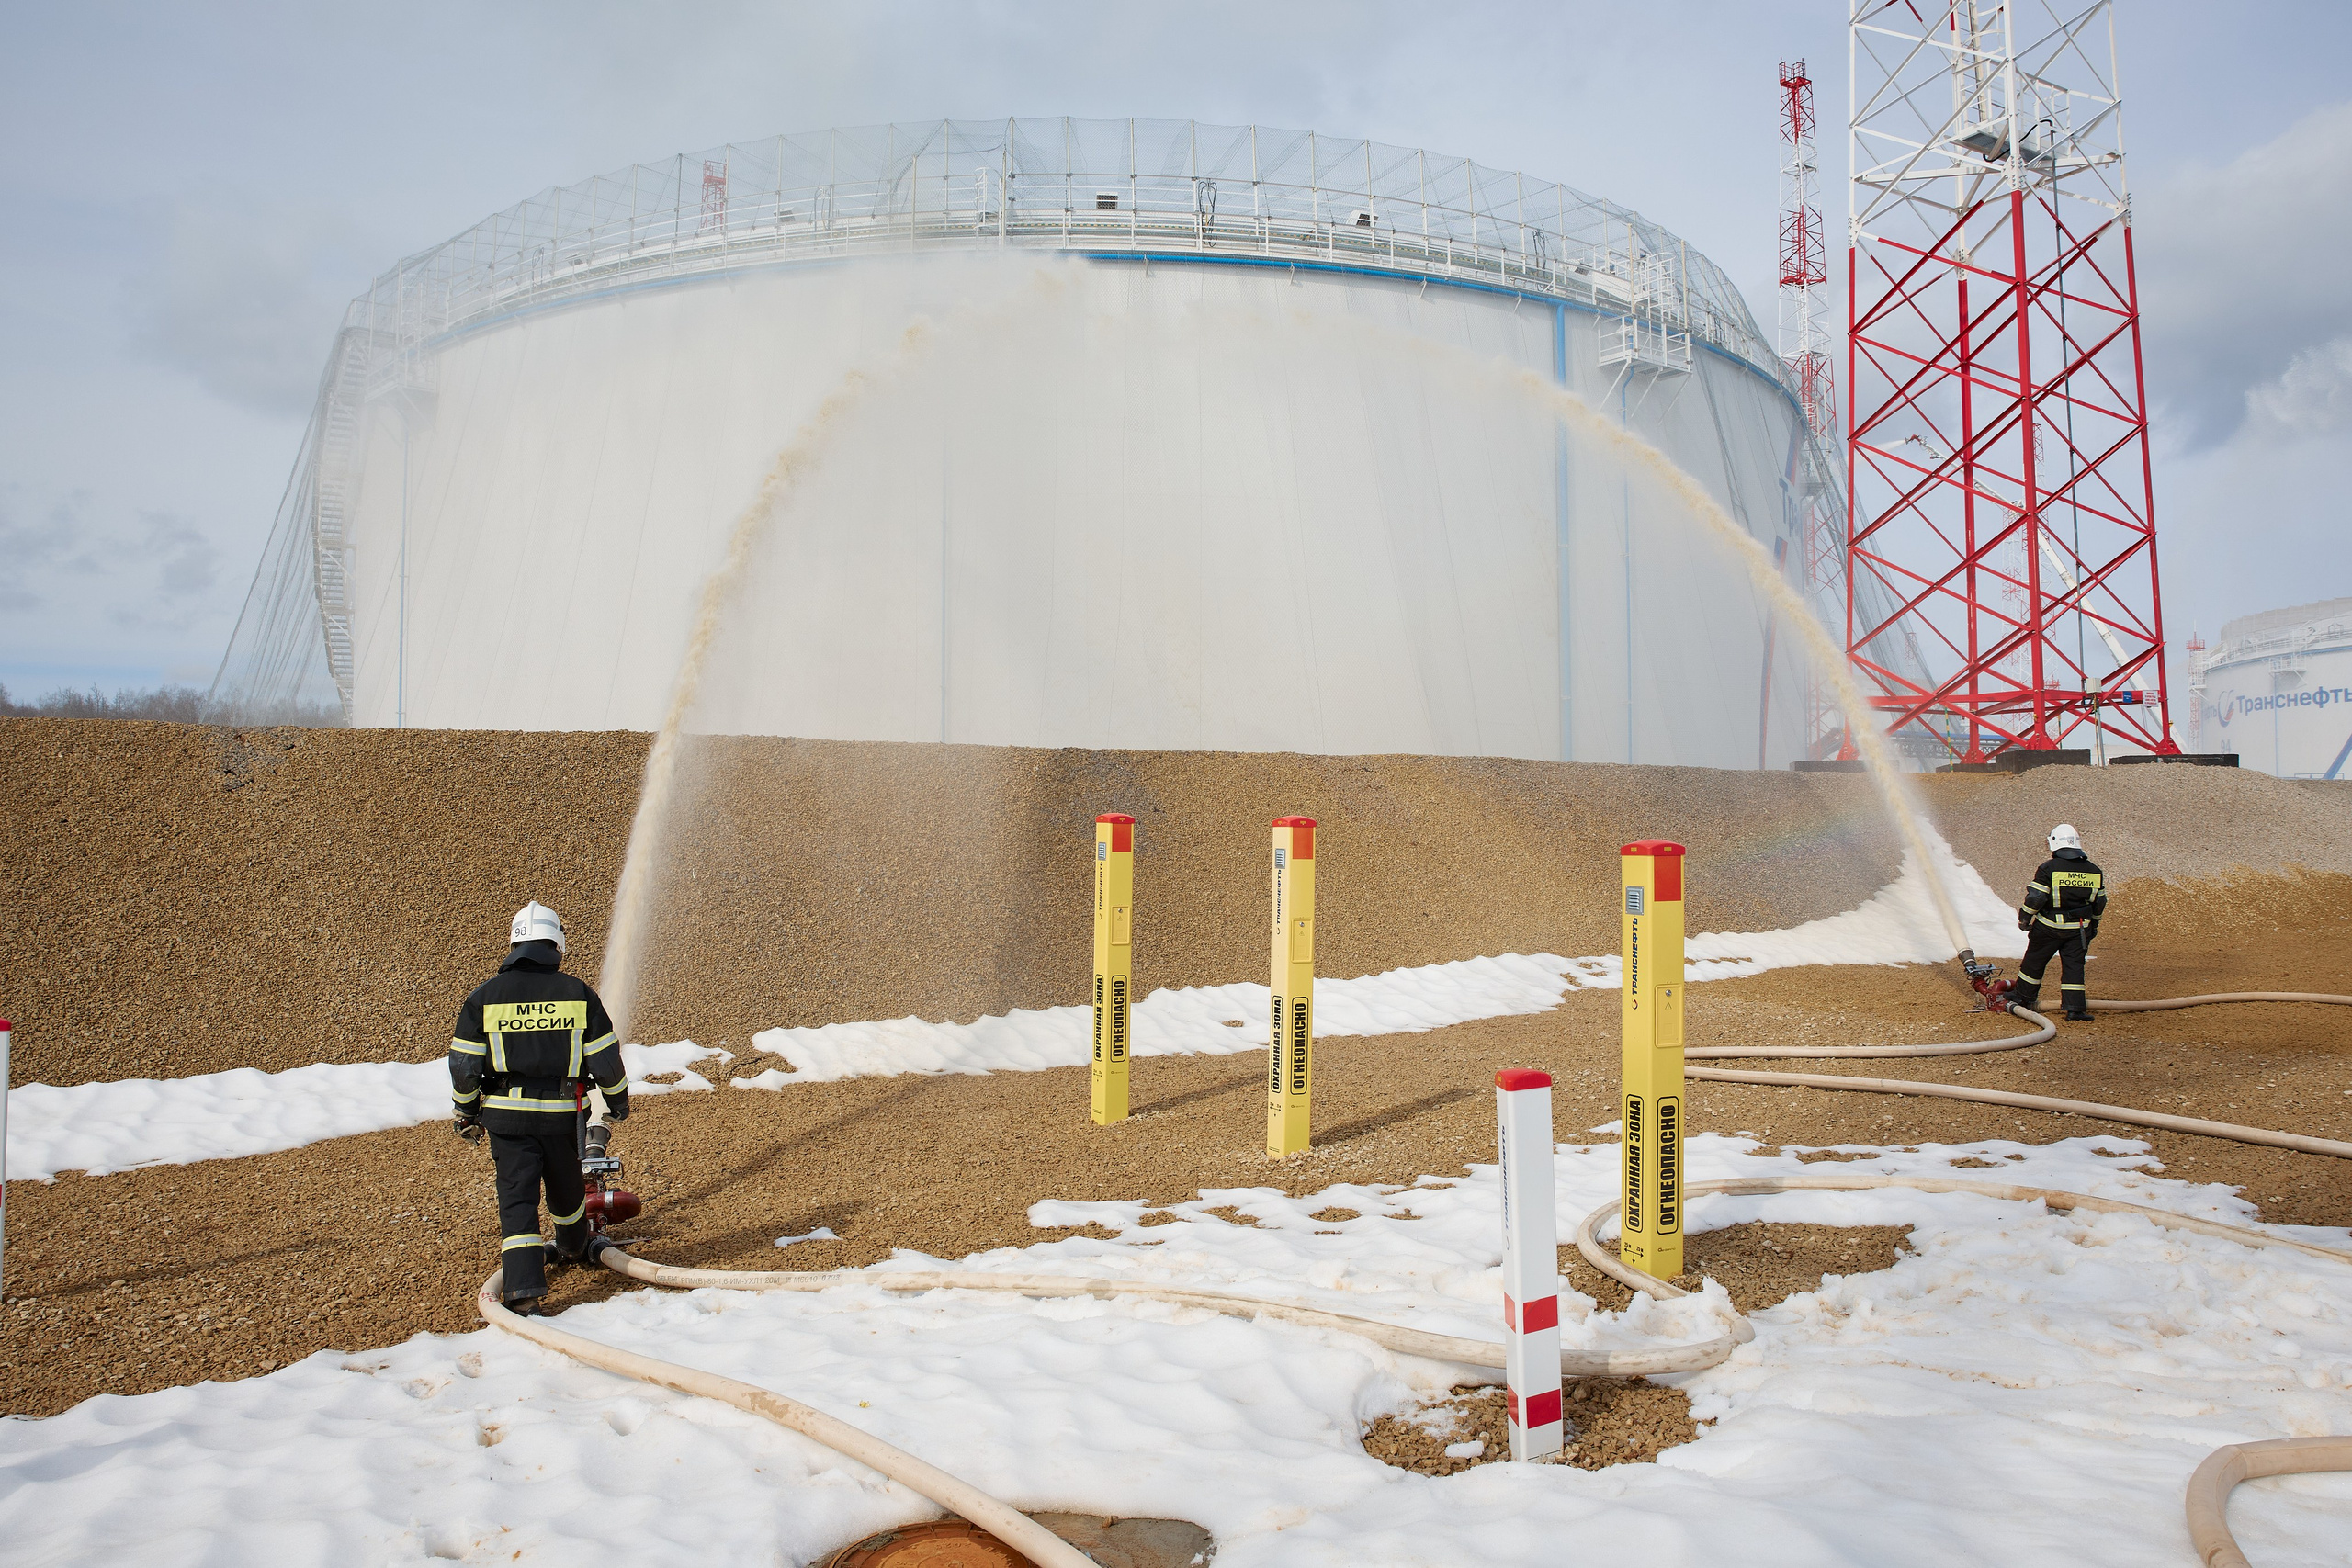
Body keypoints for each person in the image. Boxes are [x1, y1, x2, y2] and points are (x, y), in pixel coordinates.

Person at [449, 901, 630, 1314]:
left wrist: (465, 1111)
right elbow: (604, 1058)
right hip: (562, 1116)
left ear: (514, 942)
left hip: (506, 1119)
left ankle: (524, 1289)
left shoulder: (484, 998)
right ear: (556, 943)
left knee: (516, 1200)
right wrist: (617, 1101)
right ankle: (573, 1245)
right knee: (567, 1189)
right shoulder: (576, 993)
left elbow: (463, 1065)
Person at [2007, 824, 2107, 1022]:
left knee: (2035, 961)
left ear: (2054, 843)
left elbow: (2036, 898)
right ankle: (2075, 1009)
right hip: (2078, 929)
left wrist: (2025, 917)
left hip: (2048, 927)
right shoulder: (2094, 871)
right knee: (2074, 966)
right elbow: (2099, 902)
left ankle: (2023, 998)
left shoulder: (2049, 868)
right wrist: (2094, 925)